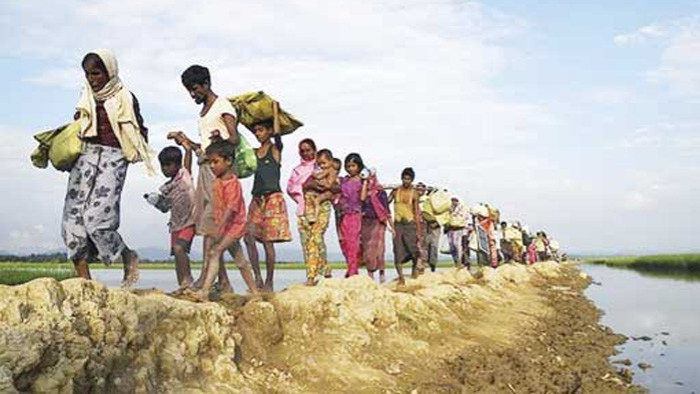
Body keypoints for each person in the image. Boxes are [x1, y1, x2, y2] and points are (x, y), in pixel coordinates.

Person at [62, 50, 152, 287]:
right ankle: (85, 283)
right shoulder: (85, 96)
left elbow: (139, 129)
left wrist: (134, 145)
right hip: (85, 157)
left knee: (97, 220)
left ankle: (127, 256)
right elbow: (79, 123)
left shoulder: (126, 97)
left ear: (109, 72)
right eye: (88, 74)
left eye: (97, 73)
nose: (92, 79)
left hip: (113, 158)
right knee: (72, 221)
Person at [172, 64, 239, 293]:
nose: (193, 94)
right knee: (208, 223)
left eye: (195, 89)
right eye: (189, 90)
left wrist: (222, 139)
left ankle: (205, 279)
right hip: (206, 169)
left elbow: (234, 139)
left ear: (206, 85)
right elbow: (205, 148)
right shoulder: (204, 112)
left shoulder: (222, 106)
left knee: (213, 223)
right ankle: (223, 282)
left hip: (218, 172)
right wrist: (185, 141)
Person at [193, 141, 257, 300]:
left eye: (215, 162)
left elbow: (230, 209)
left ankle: (205, 291)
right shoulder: (217, 183)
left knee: (215, 252)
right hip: (225, 226)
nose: (212, 166)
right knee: (240, 260)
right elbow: (217, 206)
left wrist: (218, 228)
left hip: (234, 225)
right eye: (210, 162)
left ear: (228, 161)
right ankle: (255, 291)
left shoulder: (233, 184)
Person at [244, 101, 292, 292]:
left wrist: (274, 111)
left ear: (269, 132)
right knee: (248, 237)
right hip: (257, 198)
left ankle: (270, 280)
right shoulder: (254, 153)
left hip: (273, 198)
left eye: (261, 130)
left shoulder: (275, 150)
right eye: (255, 131)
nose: (258, 134)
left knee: (267, 242)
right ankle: (257, 277)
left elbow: (278, 137)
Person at [146, 146, 196, 289]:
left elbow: (187, 162)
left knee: (180, 248)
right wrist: (157, 201)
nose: (165, 169)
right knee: (176, 252)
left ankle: (188, 281)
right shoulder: (167, 188)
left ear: (177, 164)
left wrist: (187, 149)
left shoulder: (184, 175)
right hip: (175, 224)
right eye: (162, 166)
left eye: (168, 165)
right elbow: (165, 208)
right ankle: (182, 285)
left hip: (190, 221)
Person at [287, 139, 331, 285]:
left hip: (321, 206)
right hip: (304, 208)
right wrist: (305, 188)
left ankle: (312, 276)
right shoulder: (297, 170)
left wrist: (319, 189)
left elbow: (333, 185)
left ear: (315, 150)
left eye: (308, 150)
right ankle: (324, 271)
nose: (306, 153)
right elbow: (290, 188)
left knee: (316, 238)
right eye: (303, 151)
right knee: (307, 242)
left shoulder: (323, 165)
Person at [389, 167, 423, 285]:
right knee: (397, 251)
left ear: (412, 180)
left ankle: (414, 272)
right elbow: (385, 203)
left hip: (410, 225)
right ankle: (401, 277)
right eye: (404, 178)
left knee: (413, 250)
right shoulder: (395, 191)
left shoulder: (414, 194)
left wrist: (418, 231)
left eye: (408, 179)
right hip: (398, 225)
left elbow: (417, 212)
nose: (406, 181)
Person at [361, 171, 393, 283]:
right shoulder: (363, 190)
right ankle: (370, 275)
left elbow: (386, 210)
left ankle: (382, 274)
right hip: (365, 223)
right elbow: (361, 202)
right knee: (368, 250)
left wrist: (392, 227)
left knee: (379, 249)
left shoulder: (380, 193)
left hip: (379, 223)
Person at [338, 153, 366, 277]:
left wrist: (365, 183)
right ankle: (351, 267)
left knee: (352, 243)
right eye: (348, 166)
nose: (351, 169)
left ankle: (353, 270)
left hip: (355, 215)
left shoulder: (361, 181)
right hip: (344, 215)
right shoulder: (344, 180)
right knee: (344, 242)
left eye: (353, 166)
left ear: (359, 166)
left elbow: (363, 197)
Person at [303, 150, 339, 224]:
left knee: (316, 201)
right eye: (319, 164)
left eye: (324, 163)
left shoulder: (328, 170)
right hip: (329, 191)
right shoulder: (334, 170)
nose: (322, 166)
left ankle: (315, 217)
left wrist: (313, 174)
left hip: (328, 190)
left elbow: (320, 177)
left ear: (331, 161)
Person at [418, 184, 441, 272]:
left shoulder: (433, 200)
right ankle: (423, 265)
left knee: (433, 245)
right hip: (423, 225)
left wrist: (437, 222)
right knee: (424, 245)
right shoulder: (419, 199)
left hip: (434, 224)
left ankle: (432, 266)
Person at [445, 196, 469, 268]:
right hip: (451, 230)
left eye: (455, 200)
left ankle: (461, 262)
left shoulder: (463, 208)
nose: (454, 202)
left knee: (458, 246)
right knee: (452, 247)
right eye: (452, 200)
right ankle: (456, 262)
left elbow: (464, 219)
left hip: (460, 230)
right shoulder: (449, 208)